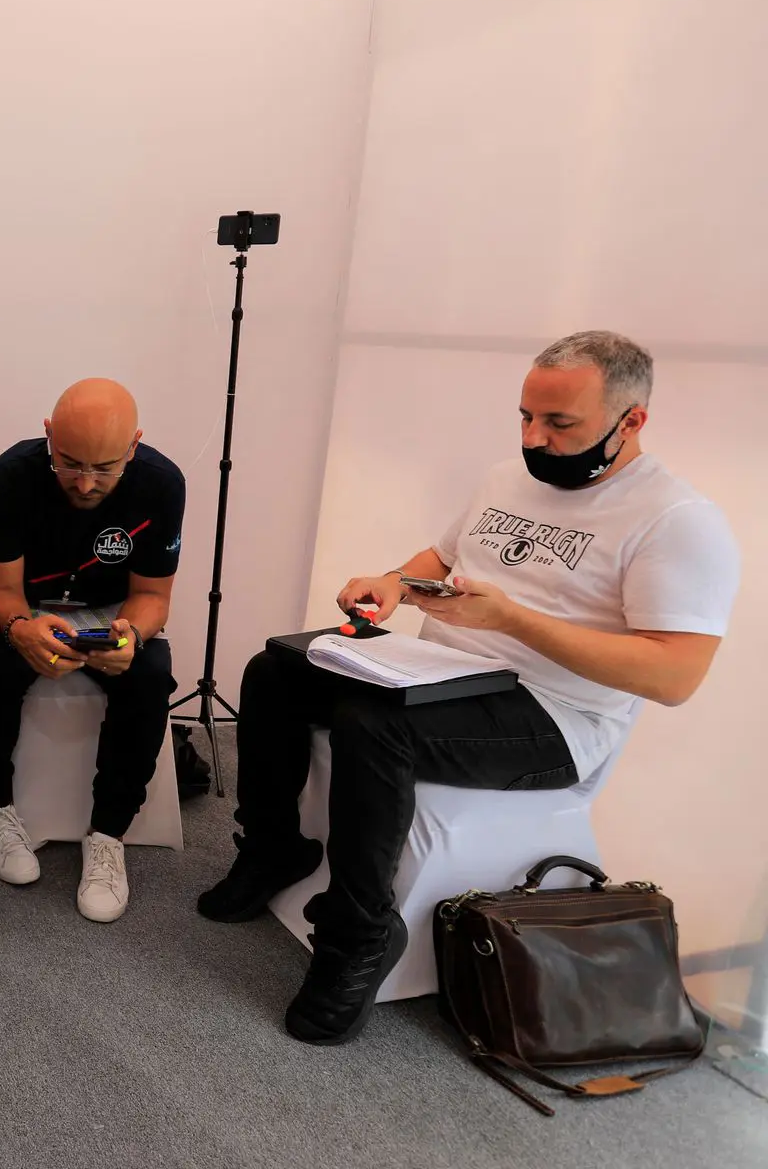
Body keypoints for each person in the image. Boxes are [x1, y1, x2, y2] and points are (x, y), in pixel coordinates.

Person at [197, 331, 740, 1044]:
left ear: (631, 421)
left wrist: (513, 620)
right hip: (443, 678)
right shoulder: (507, 479)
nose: (534, 438)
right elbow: (445, 556)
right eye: (525, 417)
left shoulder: (678, 522)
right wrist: (392, 583)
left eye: (559, 424)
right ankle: (273, 849)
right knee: (276, 670)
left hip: (555, 716)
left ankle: (357, 939)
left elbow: (675, 676)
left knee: (372, 724)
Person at [0, 379, 184, 922]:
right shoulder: (7, 477)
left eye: (106, 467)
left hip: (111, 614)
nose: (87, 483)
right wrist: (20, 628)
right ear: (48, 435)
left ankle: (109, 834)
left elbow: (153, 597)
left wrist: (131, 637)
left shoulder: (162, 484)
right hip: (28, 606)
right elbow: (0, 591)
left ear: (134, 446)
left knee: (152, 672)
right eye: (69, 463)